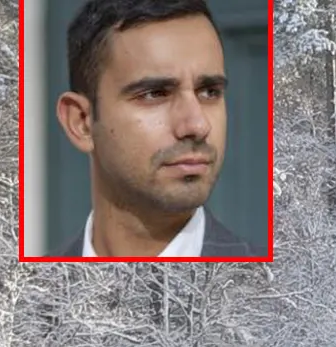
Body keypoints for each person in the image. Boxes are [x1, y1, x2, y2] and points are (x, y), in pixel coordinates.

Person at [52, 0, 264, 257]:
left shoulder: (277, 290)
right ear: (82, 122)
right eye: (155, 94)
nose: (197, 125)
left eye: (209, 92)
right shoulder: (22, 291)